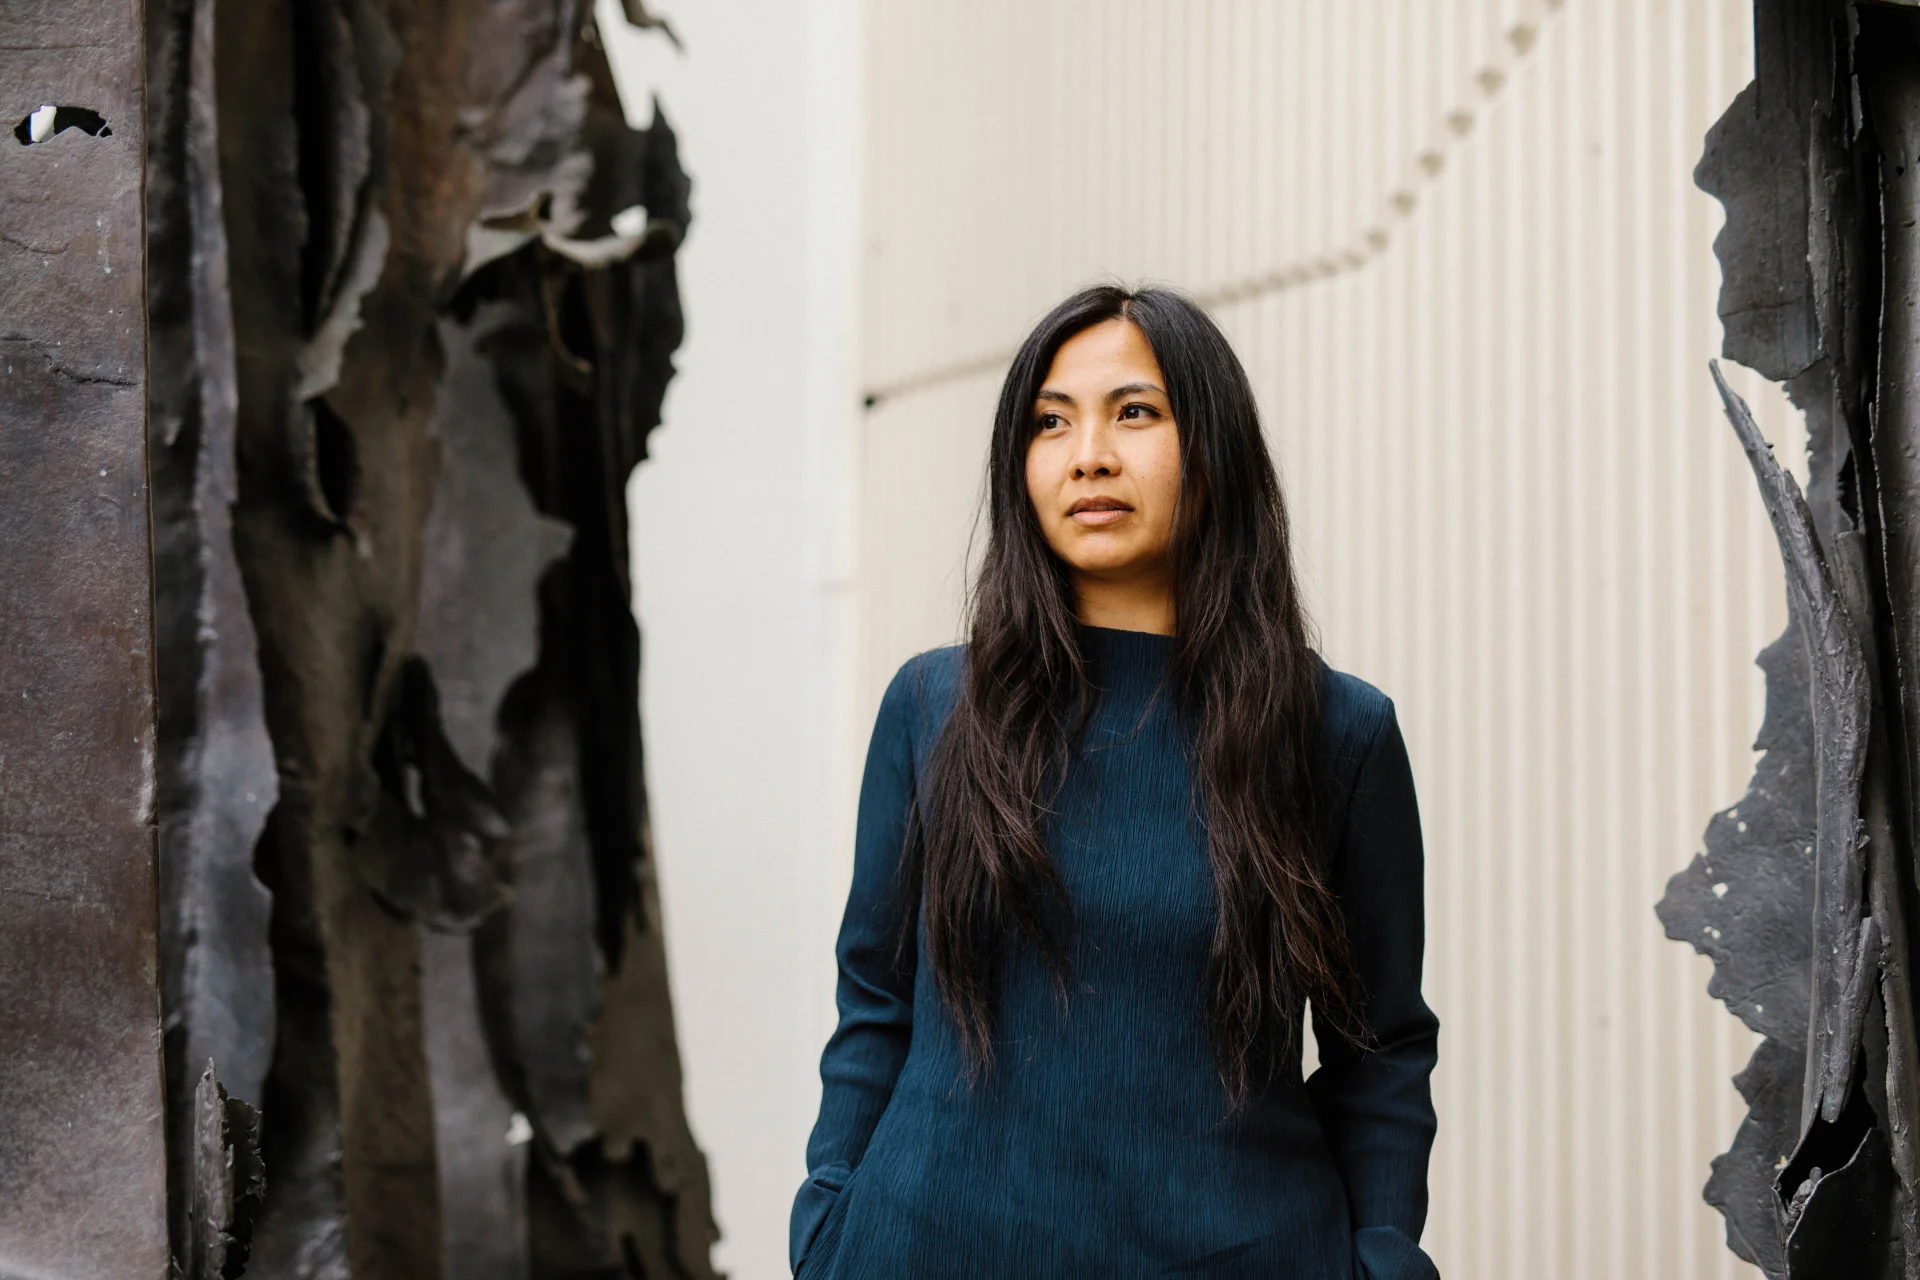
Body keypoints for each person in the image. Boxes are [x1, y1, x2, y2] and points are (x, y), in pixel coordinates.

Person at [790, 285, 1439, 1279]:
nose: (1088, 452)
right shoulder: (933, 707)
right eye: (1050, 421)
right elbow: (874, 998)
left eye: (1134, 411)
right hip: (922, 1250)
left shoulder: (1336, 732)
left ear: (1213, 447)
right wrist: (828, 1216)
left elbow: (1380, 1046)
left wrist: (1384, 1260)